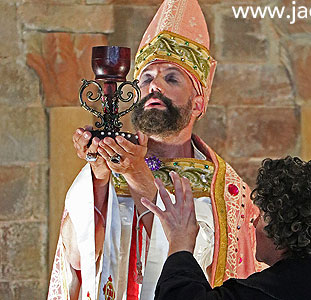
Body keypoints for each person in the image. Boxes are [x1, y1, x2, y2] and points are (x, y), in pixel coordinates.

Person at [47, 0, 263, 299]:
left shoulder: (225, 191)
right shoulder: (108, 167)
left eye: (171, 78)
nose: (154, 86)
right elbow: (78, 258)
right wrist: (98, 177)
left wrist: (136, 174)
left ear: (198, 103)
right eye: (146, 78)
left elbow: (196, 259)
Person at [144, 156, 311, 300]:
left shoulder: (278, 291)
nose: (252, 221)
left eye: (263, 214)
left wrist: (179, 242)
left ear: (288, 229)